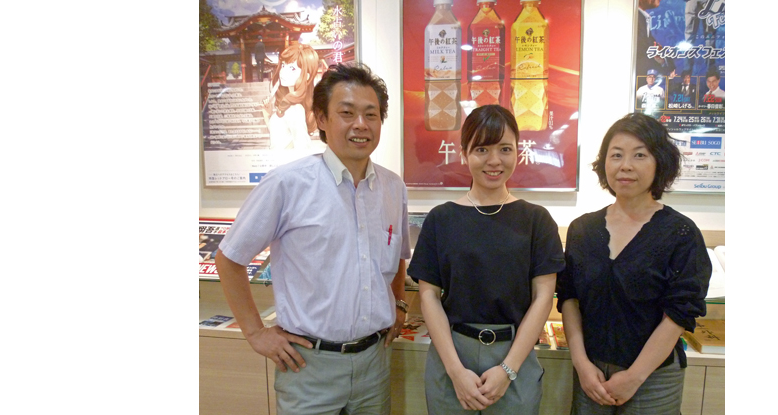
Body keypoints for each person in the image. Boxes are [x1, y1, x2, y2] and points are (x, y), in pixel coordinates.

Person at [215, 62, 412, 415]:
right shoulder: (287, 184)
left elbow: (396, 255)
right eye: (347, 113)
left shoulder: (393, 187)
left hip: (375, 362)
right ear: (321, 118)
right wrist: (256, 333)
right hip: (308, 366)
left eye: (371, 114)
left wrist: (398, 304)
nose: (361, 124)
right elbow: (229, 259)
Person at [407, 104, 565, 415]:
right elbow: (429, 297)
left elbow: (543, 299)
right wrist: (456, 372)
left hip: (515, 355)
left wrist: (508, 369)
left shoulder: (537, 220)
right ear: (464, 153)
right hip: (452, 355)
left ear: (518, 152)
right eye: (482, 149)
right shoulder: (441, 219)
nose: (494, 160)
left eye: (505, 149)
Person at [556, 113, 711, 415]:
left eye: (639, 155)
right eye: (616, 155)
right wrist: (581, 364)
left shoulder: (681, 233)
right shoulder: (582, 229)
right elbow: (569, 297)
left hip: (653, 376)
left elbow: (680, 312)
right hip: (591, 372)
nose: (625, 165)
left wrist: (635, 376)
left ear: (659, 162)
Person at [263, 42, 322, 152]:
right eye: (283, 65)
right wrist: (267, 114)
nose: (283, 71)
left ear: (306, 75)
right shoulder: (288, 105)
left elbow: (303, 147)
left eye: (292, 68)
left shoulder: (296, 109)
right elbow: (278, 137)